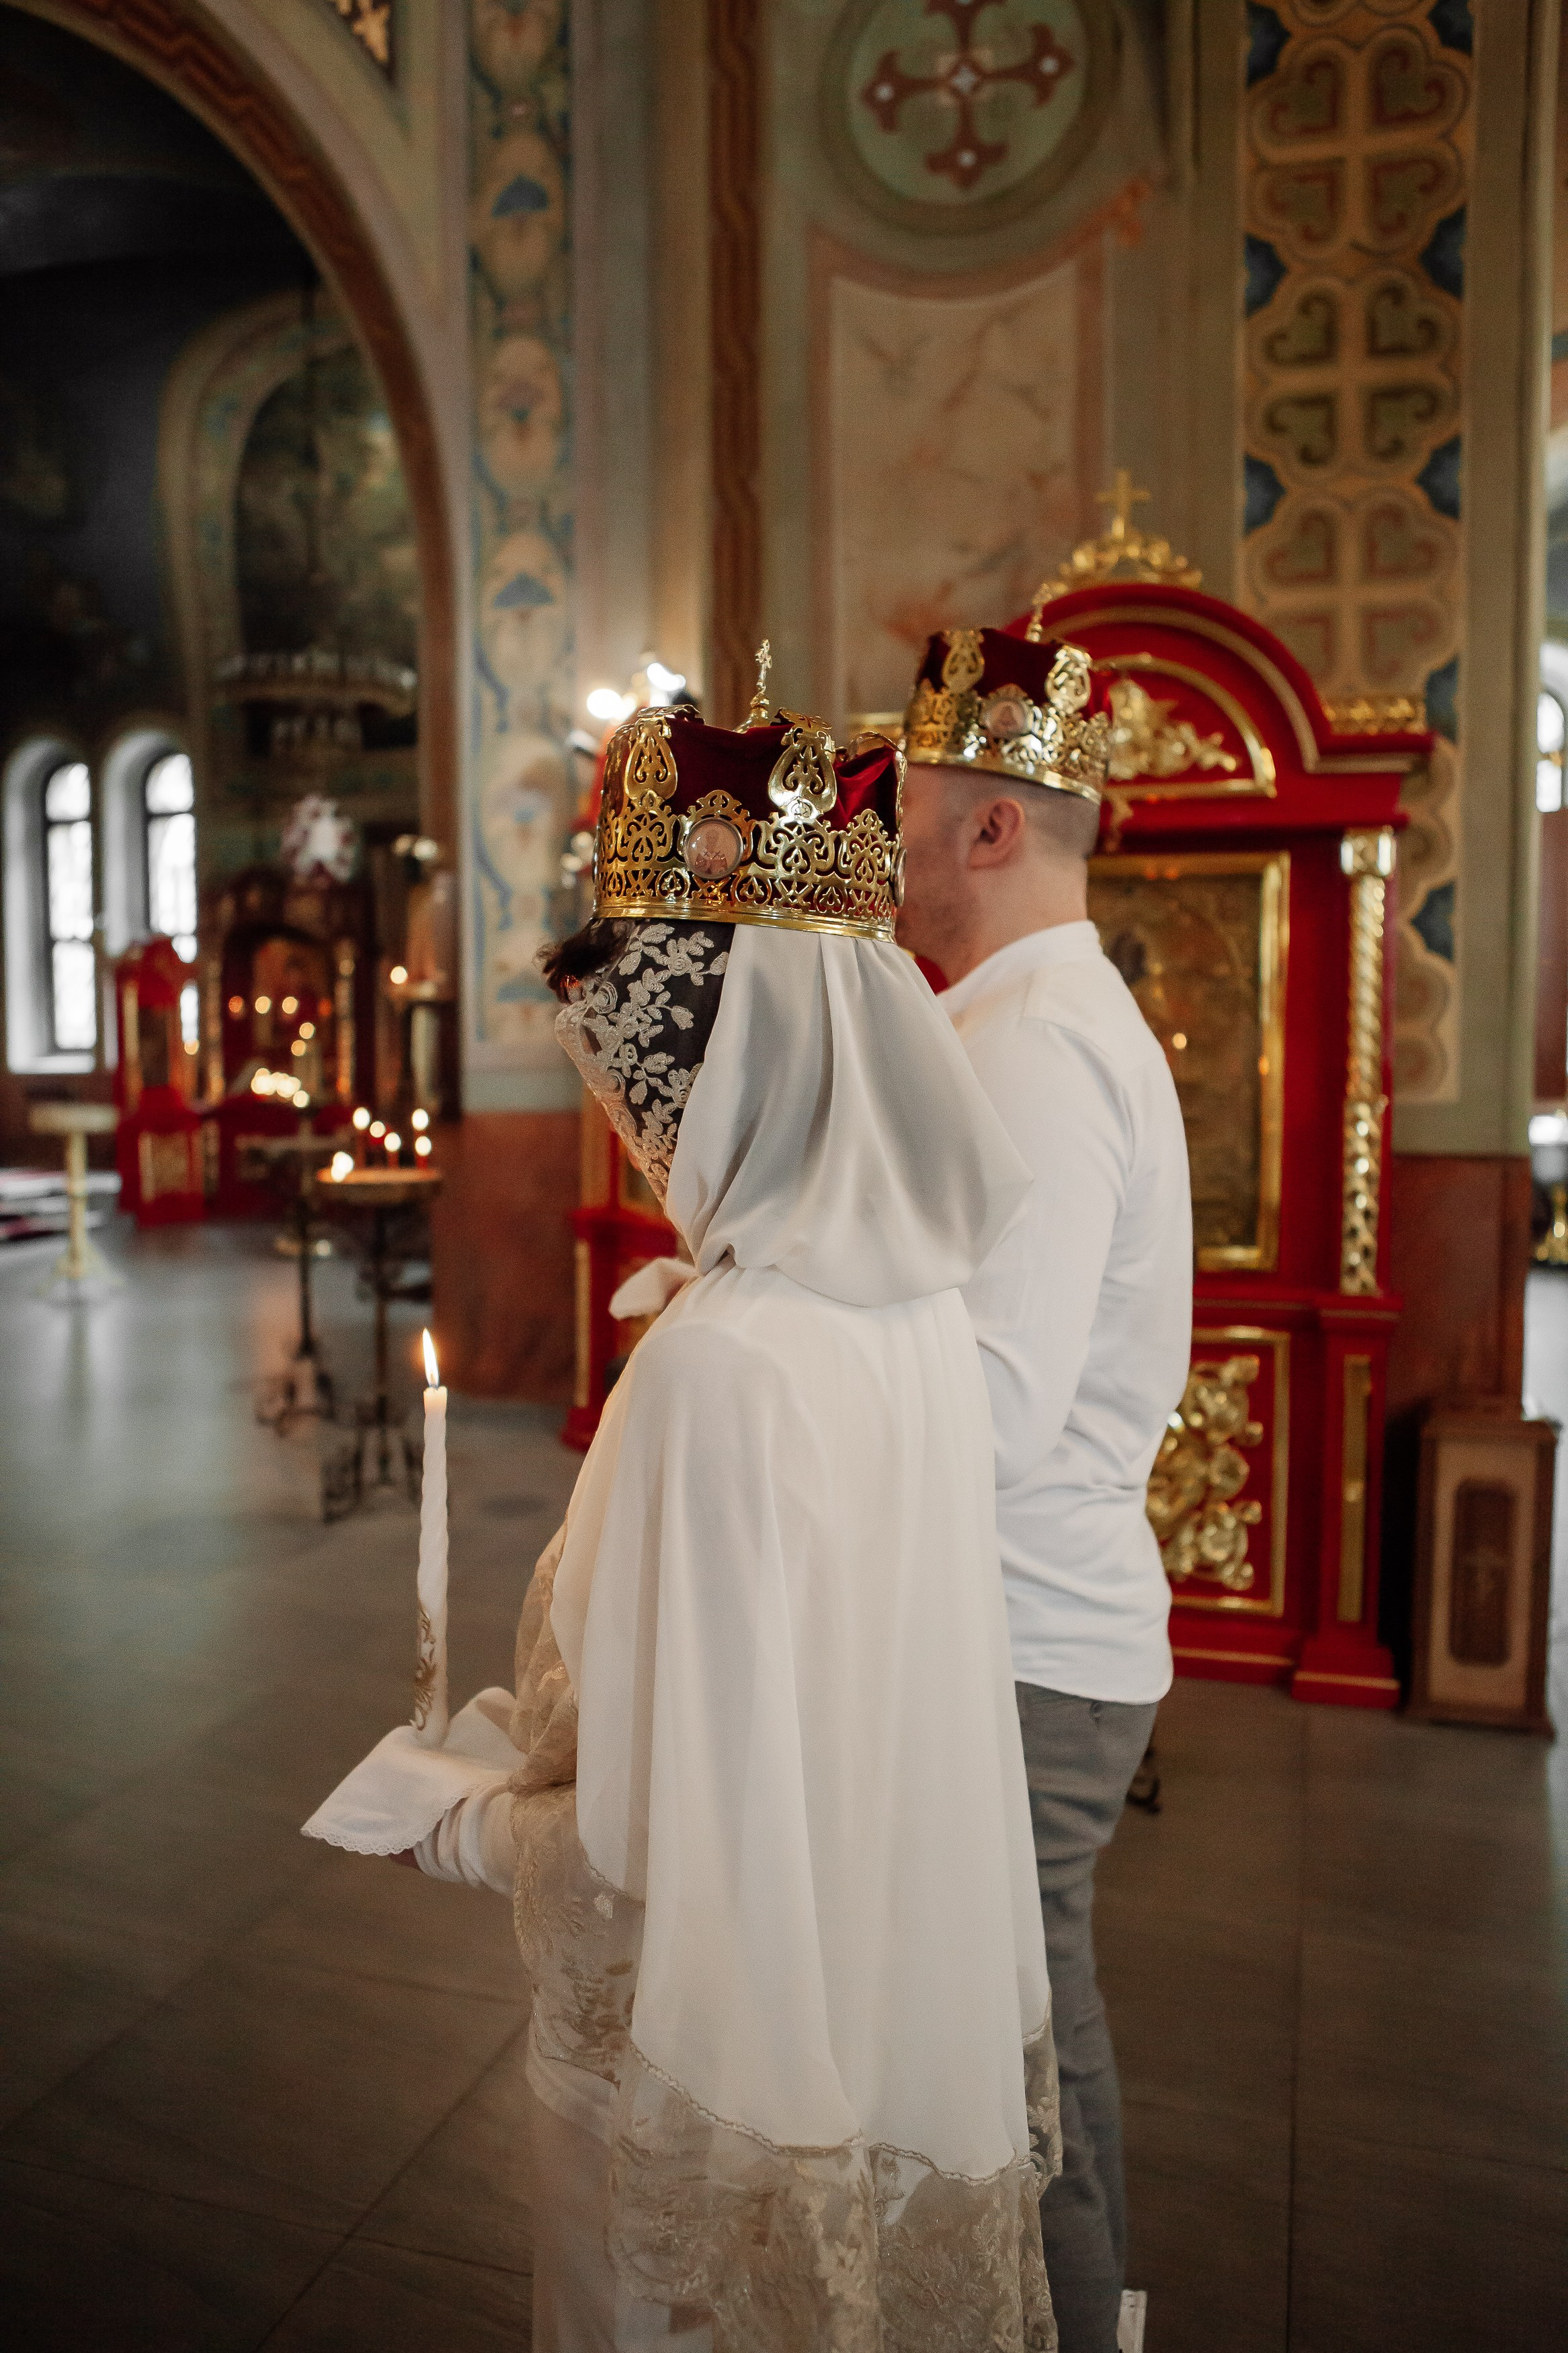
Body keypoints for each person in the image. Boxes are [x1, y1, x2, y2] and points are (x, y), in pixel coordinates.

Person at [304, 684, 1063, 2350]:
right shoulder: (911, 1307)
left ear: (723, 1073)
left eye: (641, 1075)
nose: (636, 1122)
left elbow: (640, 1863)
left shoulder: (724, 1365)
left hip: (709, 2055)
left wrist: (455, 1815)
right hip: (868, 1969)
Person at [895, 623, 1194, 2353]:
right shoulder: (1035, 1016)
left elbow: (992, 1411)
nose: (895, 842)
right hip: (1038, 1633)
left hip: (1029, 1644)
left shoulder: (1031, 1041)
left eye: (918, 805)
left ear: (993, 829)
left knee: (1026, 2073)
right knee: (1020, 2048)